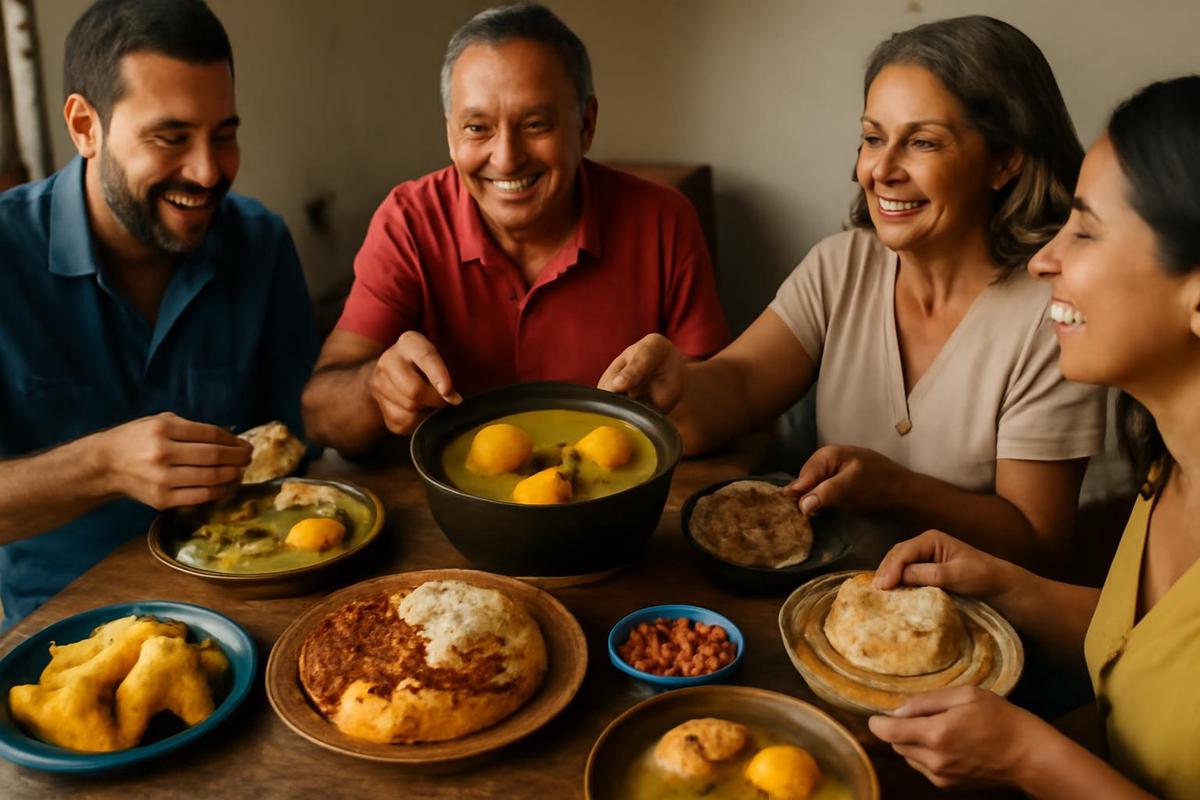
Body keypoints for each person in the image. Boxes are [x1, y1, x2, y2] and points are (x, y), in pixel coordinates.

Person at [601, 16, 1106, 564]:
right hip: (828, 608)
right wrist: (675, 385)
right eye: (872, 138)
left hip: (981, 631)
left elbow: (1038, 541)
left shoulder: (1054, 315)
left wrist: (898, 489)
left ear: (1005, 160)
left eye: (922, 142)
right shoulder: (841, 265)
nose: (881, 170)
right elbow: (740, 387)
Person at [868, 75, 1200, 800]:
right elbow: (1155, 655)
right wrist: (1003, 586)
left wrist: (1028, 757)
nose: (1045, 258)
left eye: (1084, 230)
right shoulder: (1169, 470)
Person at [0, 0, 317, 630]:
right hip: (65, 635)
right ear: (84, 126)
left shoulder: (260, 242)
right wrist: (103, 464)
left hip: (252, 606)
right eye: (170, 137)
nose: (207, 170)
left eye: (223, 134)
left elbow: (308, 435)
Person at [301, 3, 728, 456]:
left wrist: (684, 394)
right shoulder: (408, 221)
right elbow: (319, 414)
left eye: (535, 125)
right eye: (477, 128)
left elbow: (726, 407)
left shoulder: (663, 221)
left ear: (585, 125)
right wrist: (375, 388)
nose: (505, 158)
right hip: (452, 511)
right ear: (450, 135)